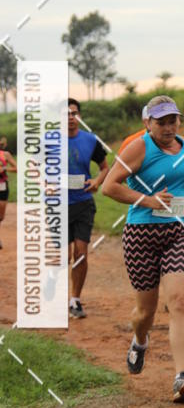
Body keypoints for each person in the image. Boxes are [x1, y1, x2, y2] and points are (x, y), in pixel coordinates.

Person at [102, 95, 184, 404]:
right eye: (161, 122)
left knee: (180, 302)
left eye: (173, 120)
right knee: (146, 311)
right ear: (148, 122)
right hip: (141, 234)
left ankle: (181, 376)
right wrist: (148, 200)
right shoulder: (138, 148)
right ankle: (140, 340)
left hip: (178, 231)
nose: (169, 127)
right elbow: (109, 186)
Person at [67, 98, 109, 318]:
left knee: (80, 253)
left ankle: (75, 299)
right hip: (57, 205)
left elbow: (105, 167)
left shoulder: (91, 140)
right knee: (62, 256)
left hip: (83, 203)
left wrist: (97, 181)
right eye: (65, 114)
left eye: (74, 113)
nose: (70, 117)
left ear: (79, 116)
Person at [0, 140, 17, 250]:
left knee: (1, 216)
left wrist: (4, 168)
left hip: (2, 186)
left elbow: (16, 168)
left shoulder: (5, 154)